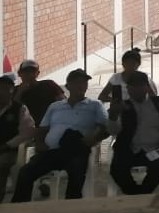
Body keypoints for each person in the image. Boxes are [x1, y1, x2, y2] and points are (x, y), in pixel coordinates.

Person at [10, 69, 108, 202]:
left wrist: (94, 138)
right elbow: (42, 129)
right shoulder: (55, 106)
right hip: (52, 150)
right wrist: (40, 143)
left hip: (76, 150)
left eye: (84, 83)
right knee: (26, 171)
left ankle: (71, 205)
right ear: (68, 86)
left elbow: (105, 127)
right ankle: (20, 206)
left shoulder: (95, 105)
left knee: (76, 170)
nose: (81, 86)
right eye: (77, 82)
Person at [107, 71, 159, 194]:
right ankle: (139, 195)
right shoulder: (122, 106)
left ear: (147, 87)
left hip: (156, 148)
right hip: (129, 149)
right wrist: (113, 116)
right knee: (117, 170)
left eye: (140, 86)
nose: (136, 90)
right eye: (133, 86)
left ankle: (140, 195)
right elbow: (113, 131)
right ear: (128, 89)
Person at [0, 74, 36, 191]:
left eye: (7, 89)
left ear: (12, 91)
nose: (3, 92)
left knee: (2, 164)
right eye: (1, 88)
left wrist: (7, 145)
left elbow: (27, 132)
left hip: (10, 151)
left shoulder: (20, 109)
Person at [14, 59, 65, 126]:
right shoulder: (14, 90)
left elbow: (63, 101)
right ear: (19, 74)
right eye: (26, 72)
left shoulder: (48, 84)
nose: (30, 75)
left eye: (33, 72)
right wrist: (20, 92)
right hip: (28, 127)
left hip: (53, 123)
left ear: (37, 73)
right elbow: (11, 110)